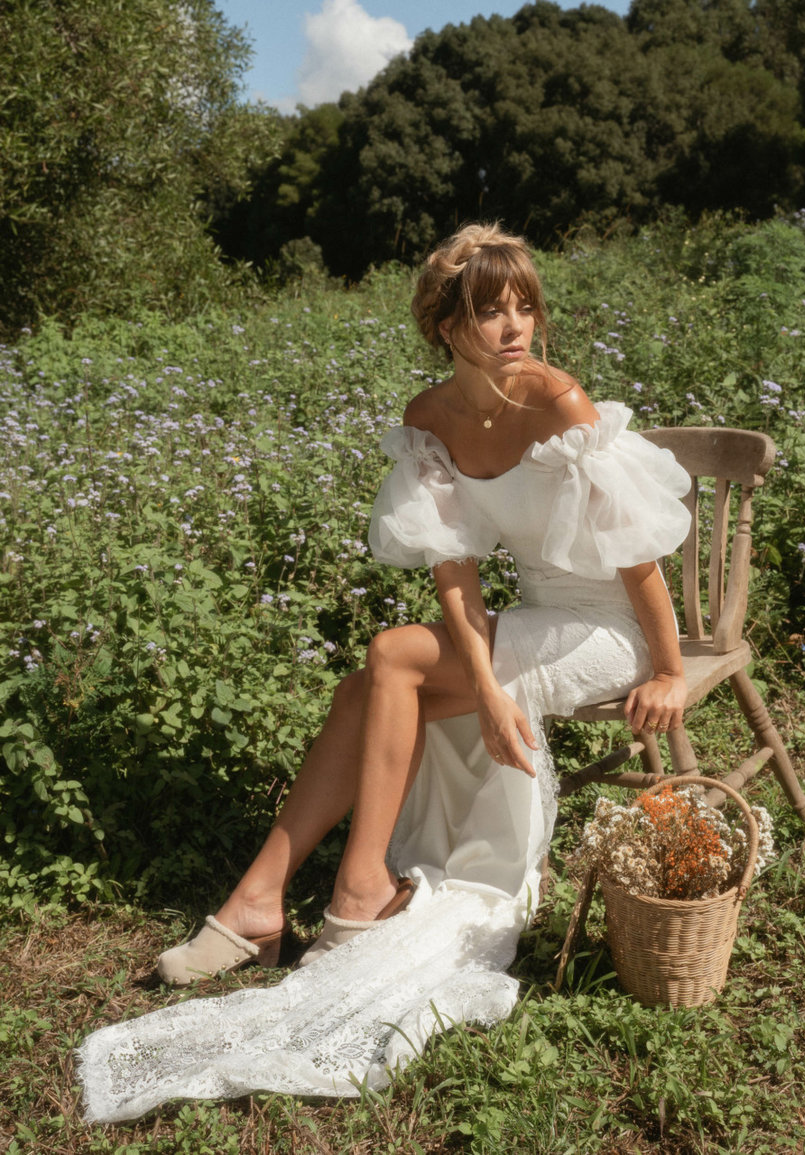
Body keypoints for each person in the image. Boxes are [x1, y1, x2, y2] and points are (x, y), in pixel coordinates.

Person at [76, 223, 691, 1121]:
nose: (514, 325)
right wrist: (484, 682)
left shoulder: (559, 400)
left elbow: (637, 561)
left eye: (524, 305)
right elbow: (453, 567)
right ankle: (262, 899)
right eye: (489, 311)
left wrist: (671, 669)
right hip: (528, 620)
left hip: (607, 629)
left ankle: (349, 895)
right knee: (366, 685)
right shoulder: (428, 416)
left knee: (388, 656)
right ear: (447, 323)